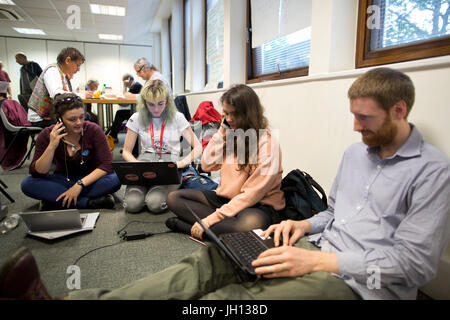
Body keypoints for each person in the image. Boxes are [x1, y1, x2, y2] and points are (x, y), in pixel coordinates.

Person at [2, 68, 449, 300]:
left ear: (399, 110)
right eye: (352, 116)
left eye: (364, 118)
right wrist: (306, 228)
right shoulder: (356, 155)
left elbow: (415, 268)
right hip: (310, 246)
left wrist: (321, 262)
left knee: (238, 297)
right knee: (206, 263)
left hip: (356, 283)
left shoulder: (431, 173)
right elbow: (334, 213)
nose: (354, 128)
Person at [166, 84, 285, 240]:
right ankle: (218, 230)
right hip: (226, 200)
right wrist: (222, 130)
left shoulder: (268, 144)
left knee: (246, 227)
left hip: (258, 204)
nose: (229, 119)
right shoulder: (232, 133)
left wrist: (210, 219)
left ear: (248, 113)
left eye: (233, 114)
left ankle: (188, 227)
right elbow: (207, 164)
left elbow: (251, 195)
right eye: (226, 114)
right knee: (174, 198)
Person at [21, 92, 121, 210]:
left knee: (116, 178)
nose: (79, 122)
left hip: (89, 180)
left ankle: (55, 201)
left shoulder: (93, 130)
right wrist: (51, 146)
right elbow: (38, 172)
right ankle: (88, 202)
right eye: (72, 119)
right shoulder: (47, 134)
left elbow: (107, 165)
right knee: (27, 184)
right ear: (60, 119)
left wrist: (79, 185)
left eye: (82, 117)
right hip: (63, 179)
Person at [121, 79, 202, 214]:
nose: (156, 109)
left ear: (167, 101)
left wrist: (182, 163)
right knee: (132, 204)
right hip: (145, 162)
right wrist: (136, 165)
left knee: (154, 204)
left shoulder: (177, 117)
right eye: (151, 104)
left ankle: (168, 189)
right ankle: (149, 190)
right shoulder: (137, 117)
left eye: (161, 103)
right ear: (144, 103)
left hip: (169, 163)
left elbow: (198, 147)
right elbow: (126, 151)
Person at [27, 47, 85, 128]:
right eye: (77, 65)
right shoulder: (52, 71)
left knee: (83, 117)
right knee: (82, 120)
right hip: (40, 118)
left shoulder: (62, 74)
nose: (78, 70)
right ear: (68, 60)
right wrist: (78, 95)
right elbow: (57, 94)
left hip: (48, 115)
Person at [106, 74, 142, 142]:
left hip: (138, 112)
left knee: (120, 114)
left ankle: (112, 136)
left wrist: (124, 86)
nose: (124, 83)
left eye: (124, 82)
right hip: (137, 110)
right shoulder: (135, 86)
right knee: (120, 113)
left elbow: (125, 100)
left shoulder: (136, 86)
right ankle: (113, 135)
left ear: (129, 80)